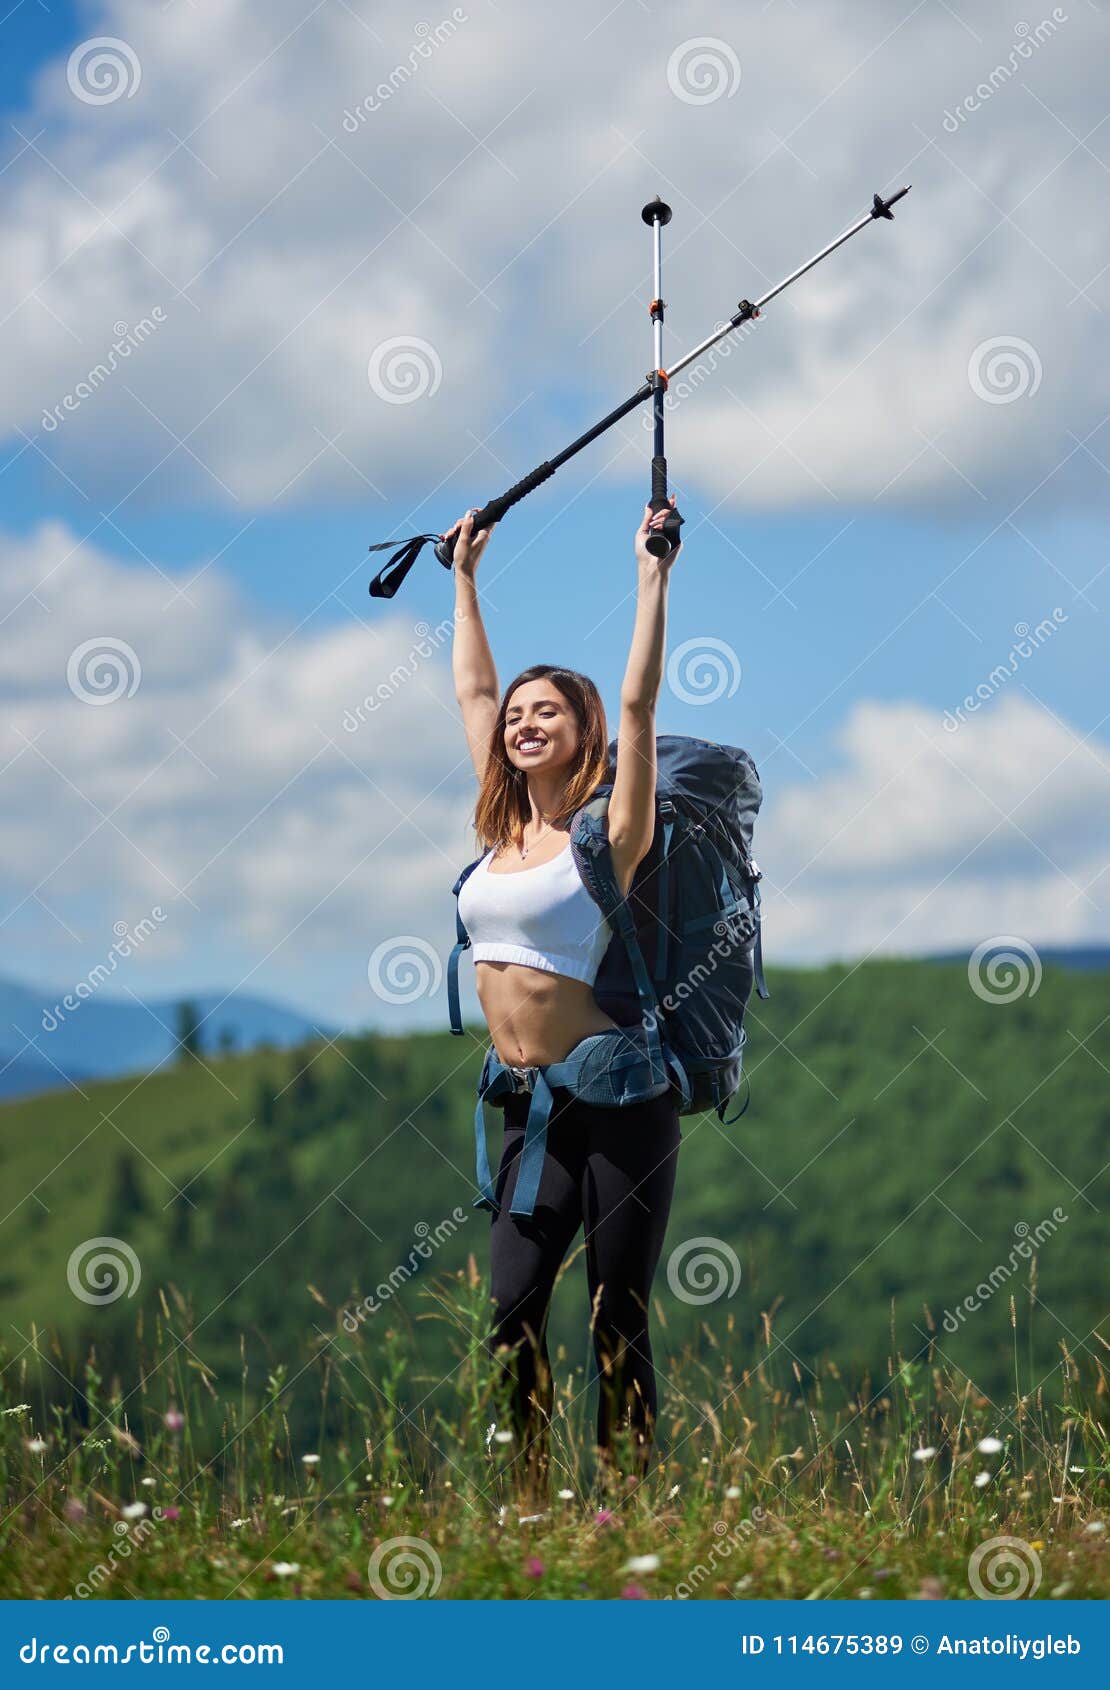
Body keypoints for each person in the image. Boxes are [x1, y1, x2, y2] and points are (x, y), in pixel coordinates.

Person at [446, 498, 682, 1494]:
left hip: (623, 1103)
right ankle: (531, 1503)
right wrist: (463, 579)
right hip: (531, 1109)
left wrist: (651, 573)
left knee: (613, 1313)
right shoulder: (499, 830)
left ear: (580, 730)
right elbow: (472, 691)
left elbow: (638, 706)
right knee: (510, 1312)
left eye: (548, 709)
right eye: (517, 715)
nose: (521, 720)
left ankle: (627, 1509)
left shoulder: (607, 833)